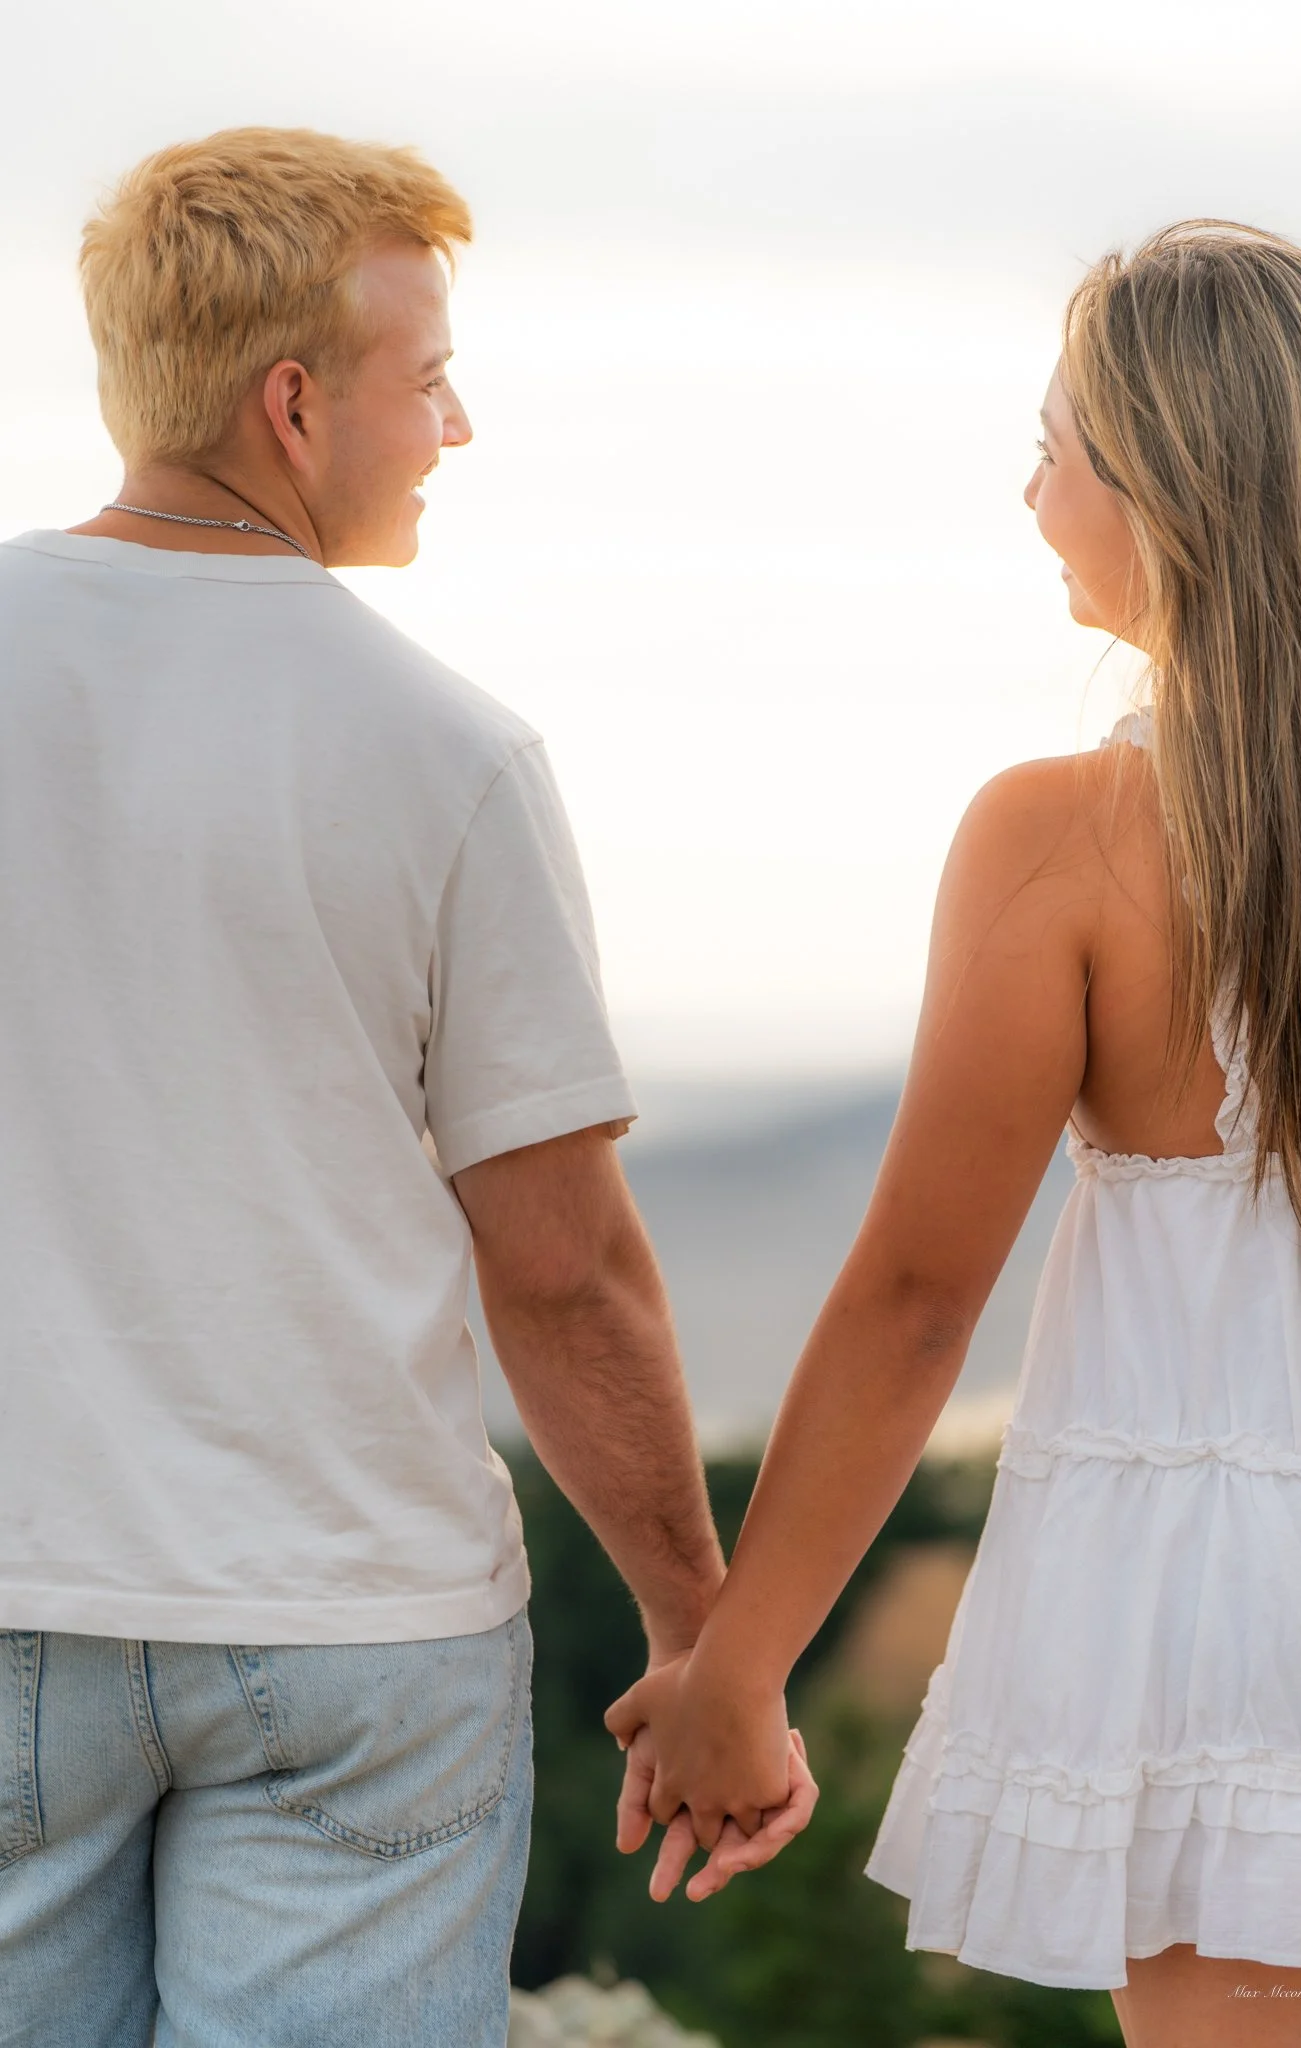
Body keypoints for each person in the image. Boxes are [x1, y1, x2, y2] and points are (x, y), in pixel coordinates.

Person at [0, 126, 813, 2047]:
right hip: (353, 1640)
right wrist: (698, 1626)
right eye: (428, 379)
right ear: (294, 404)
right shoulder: (446, 751)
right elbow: (562, 1269)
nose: (456, 428)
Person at [610, 221, 1301, 2045]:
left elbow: (917, 1299)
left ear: (1168, 489)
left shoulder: (1064, 838)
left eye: (1054, 445)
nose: (1029, 491)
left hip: (1230, 1635)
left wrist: (739, 1664)